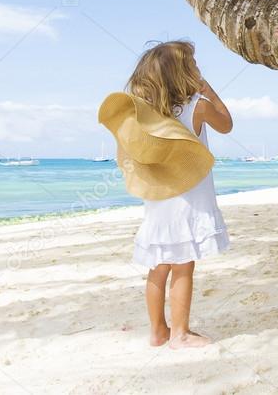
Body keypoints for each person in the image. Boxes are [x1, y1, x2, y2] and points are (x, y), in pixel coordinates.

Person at [98, 41, 233, 349]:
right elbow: (226, 124)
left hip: (158, 197)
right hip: (189, 198)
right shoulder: (198, 105)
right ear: (185, 73)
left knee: (159, 265)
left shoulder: (143, 113)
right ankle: (180, 334)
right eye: (194, 65)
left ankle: (158, 331)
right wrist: (208, 90)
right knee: (184, 263)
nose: (199, 69)